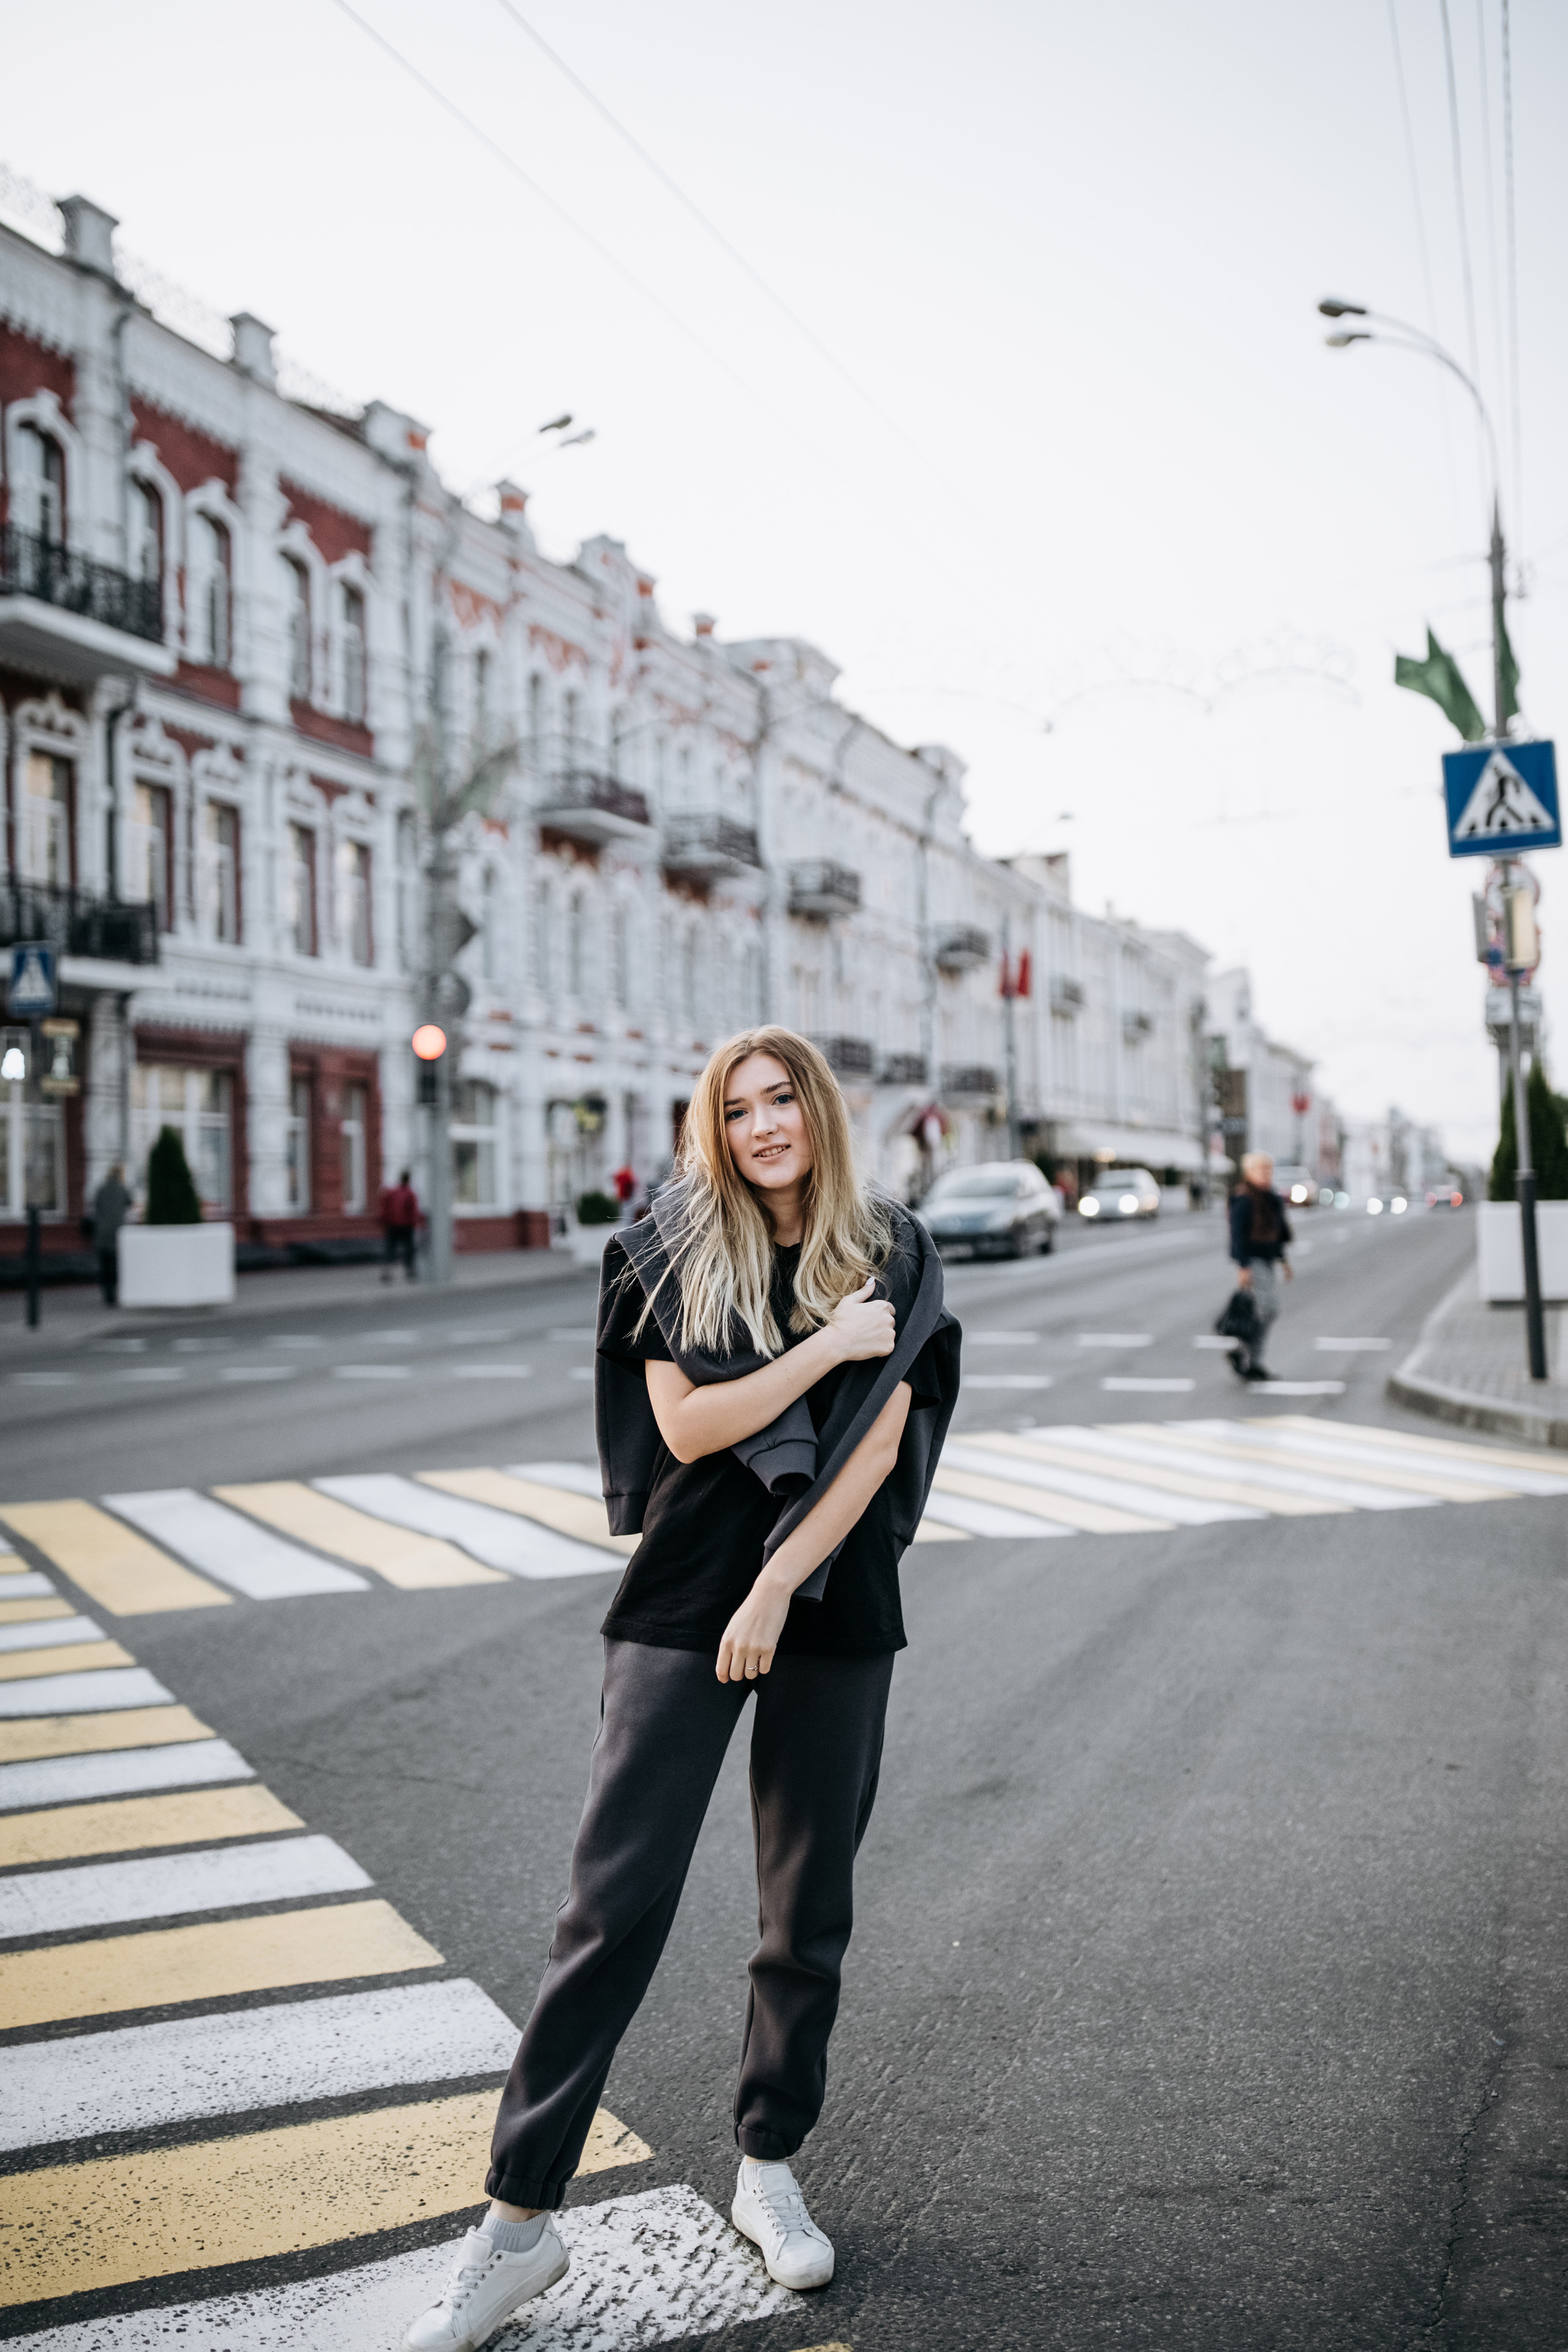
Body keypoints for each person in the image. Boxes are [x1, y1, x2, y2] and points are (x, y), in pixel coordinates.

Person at [402, 1027, 960, 2352]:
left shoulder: (891, 1249)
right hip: (680, 1590)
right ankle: (516, 2224)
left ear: (817, 1113)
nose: (764, 1125)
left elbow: (880, 1446)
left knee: (802, 1910)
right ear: (710, 1126)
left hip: (827, 1598)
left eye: (783, 1101)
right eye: (738, 1107)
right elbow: (688, 1428)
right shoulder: (675, 1243)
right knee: (611, 1904)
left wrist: (777, 1590)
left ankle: (767, 2166)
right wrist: (824, 1351)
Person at [1227, 1149, 1293, 1381]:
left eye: (1269, 1169)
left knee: (1263, 1311)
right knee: (1268, 1309)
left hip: (1268, 1259)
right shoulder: (1244, 1197)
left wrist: (1283, 1261)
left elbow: (1277, 1233)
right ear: (1250, 1172)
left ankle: (1250, 1359)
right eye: (1261, 1169)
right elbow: (1237, 1235)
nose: (1266, 1174)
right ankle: (1247, 1355)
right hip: (1253, 1260)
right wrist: (1243, 1266)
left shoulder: (1271, 1197)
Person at [91, 1164, 131, 1307]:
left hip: (101, 1232)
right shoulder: (123, 1190)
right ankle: (113, 1297)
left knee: (104, 1266)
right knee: (114, 1266)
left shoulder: (101, 1189)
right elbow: (129, 1204)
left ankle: (107, 1295)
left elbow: (95, 1207)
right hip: (116, 1232)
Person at [380, 1169, 420, 1283]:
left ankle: (387, 1272)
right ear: (409, 1180)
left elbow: (384, 1208)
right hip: (407, 1226)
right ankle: (410, 1270)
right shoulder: (410, 1194)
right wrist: (414, 1224)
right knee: (409, 1249)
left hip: (392, 1226)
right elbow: (413, 1212)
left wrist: (385, 1222)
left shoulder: (392, 1192)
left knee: (390, 1249)